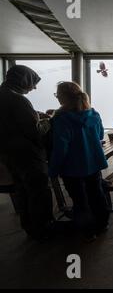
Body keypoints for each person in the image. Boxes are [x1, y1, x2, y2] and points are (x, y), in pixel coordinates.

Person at [49, 82, 109, 240]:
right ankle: (102, 224)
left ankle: (88, 232)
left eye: (58, 95)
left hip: (72, 167)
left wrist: (53, 170)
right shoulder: (94, 114)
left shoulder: (62, 119)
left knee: (80, 200)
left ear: (64, 97)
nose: (57, 98)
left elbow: (61, 148)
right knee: (96, 194)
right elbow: (101, 135)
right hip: (94, 163)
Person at [0, 65, 54, 240]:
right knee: (39, 191)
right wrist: (49, 121)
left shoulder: (3, 94)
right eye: (33, 83)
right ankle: (43, 228)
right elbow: (34, 131)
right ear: (24, 80)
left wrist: (34, 115)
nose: (35, 87)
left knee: (22, 191)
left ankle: (30, 227)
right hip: (28, 154)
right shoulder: (19, 100)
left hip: (8, 154)